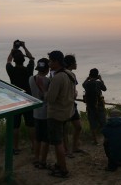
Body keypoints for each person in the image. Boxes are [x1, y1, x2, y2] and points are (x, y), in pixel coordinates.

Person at [45, 50, 76, 178]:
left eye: (50, 61)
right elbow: (74, 93)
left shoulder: (57, 77)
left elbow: (50, 99)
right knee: (61, 140)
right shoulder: (70, 74)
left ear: (56, 62)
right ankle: (59, 165)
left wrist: (44, 92)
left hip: (56, 114)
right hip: (67, 112)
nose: (49, 63)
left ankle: (63, 170)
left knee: (58, 143)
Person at [5, 40, 35, 155]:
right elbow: (32, 59)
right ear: (23, 60)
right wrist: (24, 47)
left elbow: (8, 61)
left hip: (15, 100)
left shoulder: (11, 70)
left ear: (14, 60)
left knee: (15, 125)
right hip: (28, 99)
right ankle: (34, 145)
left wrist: (13, 50)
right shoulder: (28, 70)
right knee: (31, 124)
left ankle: (15, 147)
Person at [29, 58, 50, 169]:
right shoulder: (48, 81)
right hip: (46, 113)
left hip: (35, 112)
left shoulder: (31, 79)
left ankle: (36, 158)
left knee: (38, 138)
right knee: (46, 139)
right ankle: (43, 160)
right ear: (47, 69)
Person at [63, 54, 84, 158]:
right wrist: (74, 93)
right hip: (66, 104)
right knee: (65, 128)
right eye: (75, 62)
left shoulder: (71, 74)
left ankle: (74, 147)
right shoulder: (66, 74)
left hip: (72, 103)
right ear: (71, 63)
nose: (76, 64)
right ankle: (67, 150)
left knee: (78, 126)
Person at [83, 68, 107, 145]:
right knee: (103, 122)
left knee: (92, 123)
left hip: (90, 106)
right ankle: (106, 139)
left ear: (90, 75)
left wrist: (87, 78)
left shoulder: (87, 84)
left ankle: (95, 141)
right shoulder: (98, 83)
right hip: (99, 105)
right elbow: (105, 89)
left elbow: (83, 84)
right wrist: (101, 79)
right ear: (97, 75)